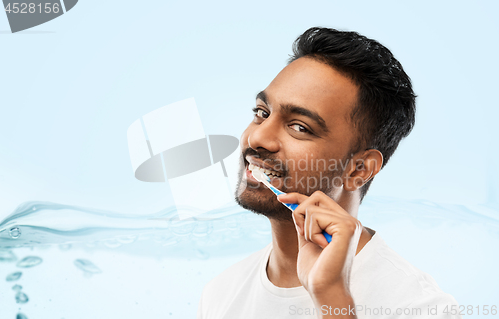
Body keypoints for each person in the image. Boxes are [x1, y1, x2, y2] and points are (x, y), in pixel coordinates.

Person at [197, 27, 461, 319]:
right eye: (262, 112)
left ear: (359, 169)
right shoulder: (221, 293)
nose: (258, 138)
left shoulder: (419, 308)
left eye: (299, 127)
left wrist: (332, 298)